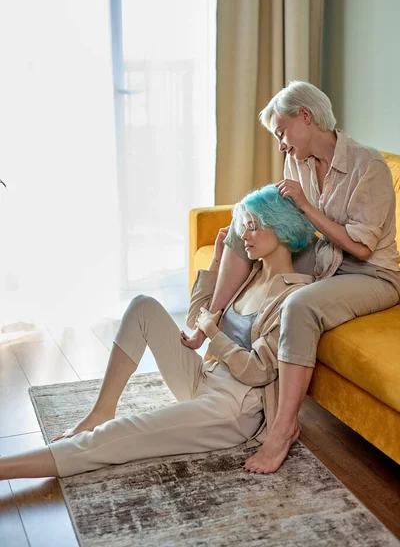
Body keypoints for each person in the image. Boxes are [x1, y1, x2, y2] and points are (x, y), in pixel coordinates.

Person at [0, 185, 315, 480]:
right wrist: (217, 261)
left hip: (233, 408)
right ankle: (101, 410)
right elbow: (196, 319)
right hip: (205, 377)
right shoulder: (251, 274)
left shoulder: (293, 297)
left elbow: (259, 371)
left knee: (121, 435)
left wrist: (212, 333)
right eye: (243, 225)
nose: (243, 235)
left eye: (253, 226)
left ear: (281, 229)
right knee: (143, 306)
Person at [182, 80, 400, 475]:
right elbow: (296, 225)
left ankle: (283, 430)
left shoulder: (369, 167)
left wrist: (304, 205)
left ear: (306, 117)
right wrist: (258, 226)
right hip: (324, 256)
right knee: (240, 227)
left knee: (299, 305)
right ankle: (208, 322)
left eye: (282, 132)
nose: (281, 143)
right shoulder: (298, 161)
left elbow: (362, 248)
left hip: (371, 273)